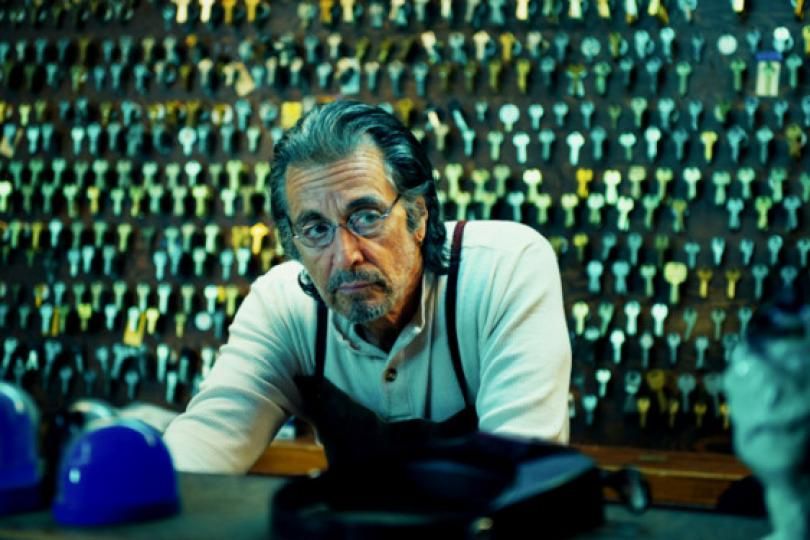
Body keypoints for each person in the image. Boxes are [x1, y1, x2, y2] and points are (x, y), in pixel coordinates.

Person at [163, 100, 572, 472]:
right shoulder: (283, 307)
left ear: (418, 215)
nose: (345, 256)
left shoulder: (501, 271)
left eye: (366, 217)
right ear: (292, 243)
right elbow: (201, 448)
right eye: (316, 229)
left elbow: (523, 473)